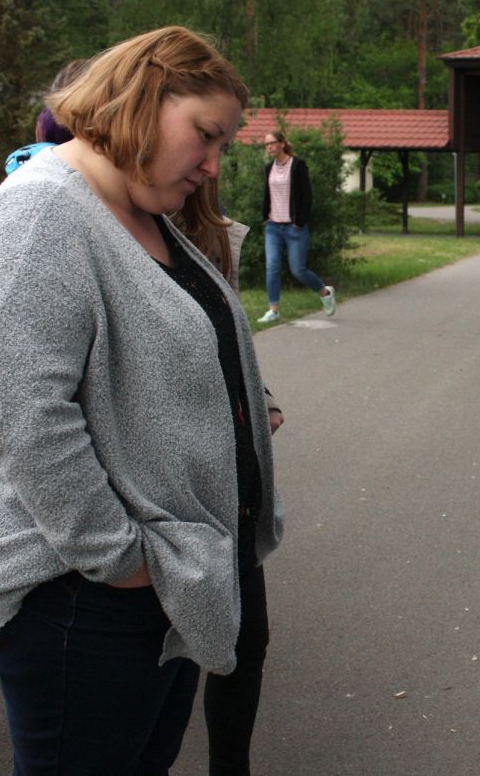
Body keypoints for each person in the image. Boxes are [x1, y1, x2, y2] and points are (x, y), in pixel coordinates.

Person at [0, 26, 282, 774]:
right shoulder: (39, 218)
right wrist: (122, 560)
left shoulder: (139, 213)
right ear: (143, 97)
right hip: (79, 598)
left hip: (157, 585)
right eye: (205, 134)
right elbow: (23, 423)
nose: (214, 163)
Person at [174, 178, 284, 775]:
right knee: (160, 665)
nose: (214, 161)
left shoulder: (206, 228)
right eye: (206, 138)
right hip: (169, 492)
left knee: (246, 643)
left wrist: (258, 393)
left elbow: (224, 337)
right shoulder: (99, 232)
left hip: (234, 486)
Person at [258, 130, 335, 323]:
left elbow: (306, 196)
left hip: (294, 228)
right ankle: (273, 310)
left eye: (272, 143)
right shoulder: (269, 168)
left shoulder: (298, 166)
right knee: (272, 267)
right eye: (266, 144)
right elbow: (267, 194)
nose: (269, 147)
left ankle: (325, 292)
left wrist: (300, 221)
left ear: (282, 143)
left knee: (298, 270)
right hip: (273, 227)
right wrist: (265, 215)